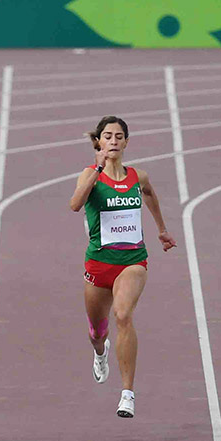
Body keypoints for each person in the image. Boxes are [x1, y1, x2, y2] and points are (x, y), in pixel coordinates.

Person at [68, 115, 177, 418]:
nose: (113, 141)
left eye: (119, 136)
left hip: (133, 262)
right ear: (98, 142)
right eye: (107, 136)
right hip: (99, 264)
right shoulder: (90, 175)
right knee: (96, 331)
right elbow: (75, 204)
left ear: (127, 142)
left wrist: (161, 229)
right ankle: (100, 353)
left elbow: (151, 194)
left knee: (123, 314)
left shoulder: (137, 177)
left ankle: (127, 393)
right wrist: (98, 169)